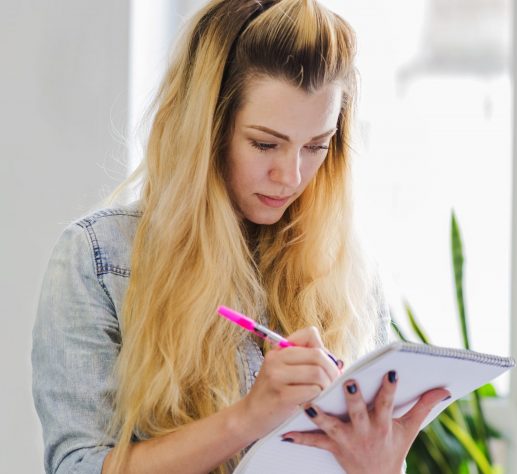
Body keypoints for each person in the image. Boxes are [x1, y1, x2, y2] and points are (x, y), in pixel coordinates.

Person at [31, 0, 449, 472]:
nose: (290, 175)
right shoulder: (99, 260)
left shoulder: (349, 280)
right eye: (265, 143)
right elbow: (77, 467)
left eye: (316, 146)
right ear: (205, 130)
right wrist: (247, 418)